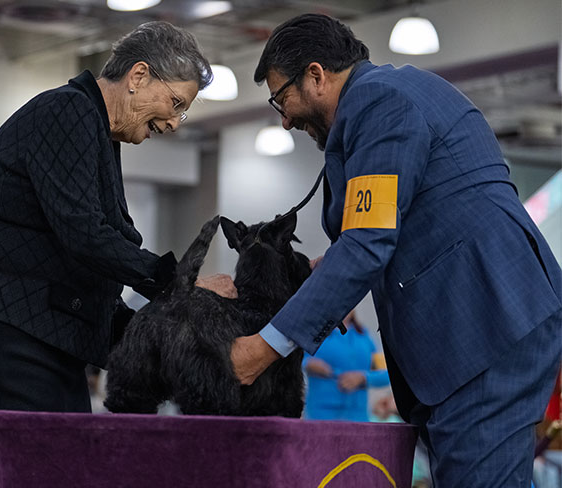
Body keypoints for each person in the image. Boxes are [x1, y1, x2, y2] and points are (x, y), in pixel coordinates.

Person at [228, 13, 562, 487]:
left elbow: (367, 242)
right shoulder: (398, 93)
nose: (284, 119)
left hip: (486, 326)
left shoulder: (378, 102)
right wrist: (332, 269)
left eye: (282, 97)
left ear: (317, 75)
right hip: (488, 324)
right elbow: (393, 226)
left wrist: (264, 348)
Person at [0, 21, 215, 488]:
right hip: (14, 333)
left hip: (36, 331)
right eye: (176, 104)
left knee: (8, 471)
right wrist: (177, 282)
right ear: (138, 76)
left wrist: (172, 344)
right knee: (35, 470)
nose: (173, 124)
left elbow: (92, 256)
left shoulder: (94, 129)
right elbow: (83, 234)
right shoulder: (66, 111)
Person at [302, 310, 388, 421]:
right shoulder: (315, 334)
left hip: (357, 415)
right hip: (322, 414)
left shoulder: (364, 336)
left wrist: (363, 378)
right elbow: (298, 361)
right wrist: (308, 364)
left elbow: (386, 374)